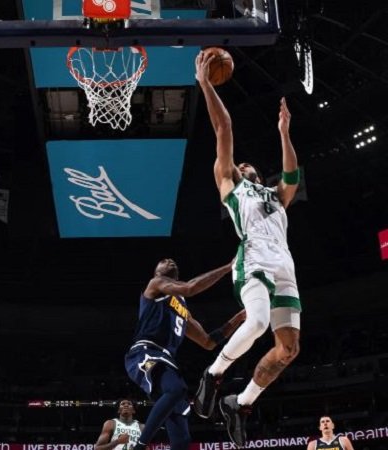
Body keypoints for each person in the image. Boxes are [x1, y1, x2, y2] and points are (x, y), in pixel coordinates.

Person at [192, 49, 302, 448]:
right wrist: (205, 84)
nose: (245, 166)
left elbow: (291, 175)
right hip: (253, 257)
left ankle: (239, 403)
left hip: (285, 265)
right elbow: (224, 129)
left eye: (251, 165)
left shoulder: (275, 195)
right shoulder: (231, 185)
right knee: (255, 323)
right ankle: (213, 373)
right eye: (242, 165)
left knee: (288, 350)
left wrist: (284, 133)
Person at [125, 258, 246, 450]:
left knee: (181, 438)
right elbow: (190, 288)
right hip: (145, 351)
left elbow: (208, 342)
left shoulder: (183, 309)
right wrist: (229, 267)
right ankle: (139, 445)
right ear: (157, 272)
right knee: (176, 389)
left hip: (166, 360)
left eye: (173, 261)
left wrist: (238, 318)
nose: (170, 261)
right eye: (163, 261)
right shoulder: (156, 284)